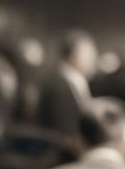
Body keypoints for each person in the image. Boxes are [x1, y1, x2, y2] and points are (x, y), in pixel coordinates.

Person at [36, 29, 98, 161]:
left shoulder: (73, 81)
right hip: (58, 160)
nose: (94, 58)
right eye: (88, 53)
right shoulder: (57, 85)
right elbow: (63, 132)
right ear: (71, 54)